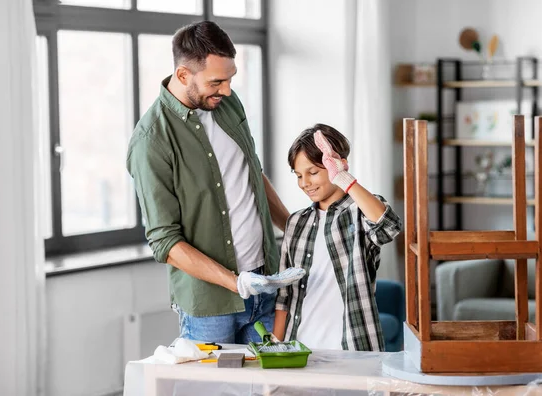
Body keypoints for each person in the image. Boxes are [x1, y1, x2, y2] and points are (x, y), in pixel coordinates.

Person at [127, 21, 304, 344]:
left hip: (265, 286)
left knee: (271, 390)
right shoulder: (151, 141)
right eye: (217, 81)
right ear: (183, 75)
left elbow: (252, 174)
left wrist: (296, 230)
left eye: (230, 78)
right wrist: (235, 282)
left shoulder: (227, 103)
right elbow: (165, 242)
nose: (226, 89)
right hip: (209, 308)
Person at [273, 124, 402, 351]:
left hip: (354, 347)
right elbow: (285, 294)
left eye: (313, 172)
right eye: (299, 175)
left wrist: (344, 179)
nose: (305, 183)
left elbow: (388, 226)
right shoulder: (296, 223)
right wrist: (276, 344)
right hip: (300, 349)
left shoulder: (360, 211)